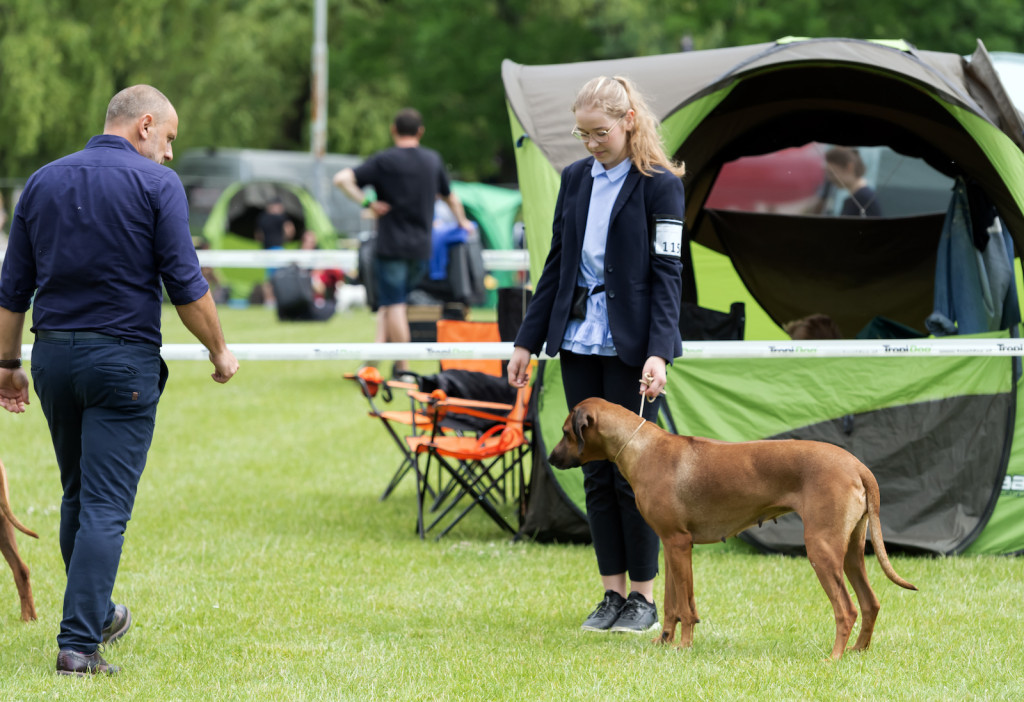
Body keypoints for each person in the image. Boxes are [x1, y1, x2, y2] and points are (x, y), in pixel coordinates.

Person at [0, 85, 239, 677]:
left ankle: (100, 612)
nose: (170, 154)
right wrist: (220, 350)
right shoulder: (157, 186)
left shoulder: (43, 181)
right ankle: (79, 645)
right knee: (105, 505)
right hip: (121, 363)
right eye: (169, 140)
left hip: (53, 358)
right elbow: (186, 285)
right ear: (145, 125)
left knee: (79, 496)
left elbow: (11, 290)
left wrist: (7, 365)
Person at [507, 76, 686, 634]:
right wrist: (526, 341)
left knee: (637, 477)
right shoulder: (574, 180)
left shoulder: (661, 185)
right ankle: (610, 595)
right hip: (579, 341)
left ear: (629, 120)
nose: (590, 144)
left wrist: (658, 353)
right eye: (581, 134)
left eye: (599, 133)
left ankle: (644, 598)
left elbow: (668, 273)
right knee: (594, 473)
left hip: (634, 350)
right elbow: (557, 266)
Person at [332, 108, 473, 375]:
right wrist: (463, 223)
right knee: (390, 302)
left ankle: (403, 368)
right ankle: (371, 364)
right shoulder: (432, 160)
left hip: (391, 247)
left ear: (393, 130)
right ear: (420, 131)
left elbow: (341, 179)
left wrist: (367, 202)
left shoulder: (384, 160)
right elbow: (451, 198)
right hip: (422, 249)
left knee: (394, 304)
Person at [254, 197, 296, 305]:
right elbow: (289, 230)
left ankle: (269, 300)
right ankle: (279, 299)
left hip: (266, 250)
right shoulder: (281, 217)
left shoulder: (261, 218)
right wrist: (285, 239)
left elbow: (258, 235)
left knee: (268, 277)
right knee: (280, 276)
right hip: (278, 249)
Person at [825, 146, 882, 217]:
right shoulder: (853, 199)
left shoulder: (864, 197)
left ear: (849, 167)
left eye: (832, 173)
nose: (829, 179)